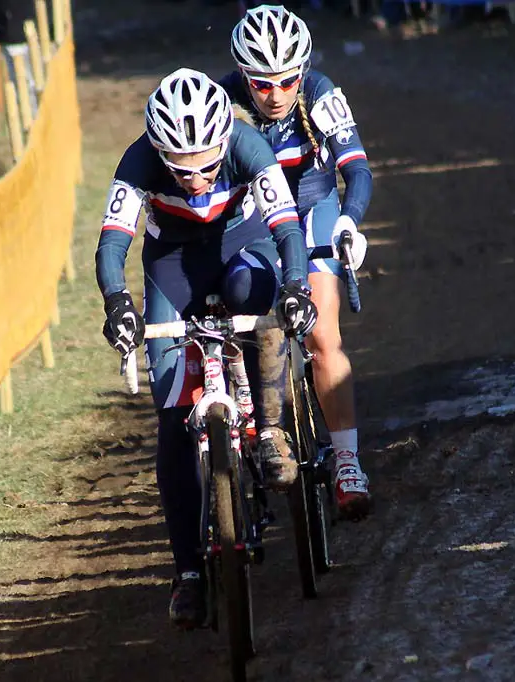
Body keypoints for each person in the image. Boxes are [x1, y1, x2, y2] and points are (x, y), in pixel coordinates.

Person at [94, 68, 317, 628]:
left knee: (253, 294)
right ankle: (188, 572)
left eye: (205, 166)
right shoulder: (137, 161)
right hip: (173, 268)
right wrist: (117, 302)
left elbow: (287, 228)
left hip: (243, 247)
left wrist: (295, 287)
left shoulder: (247, 143)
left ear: (224, 143)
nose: (193, 180)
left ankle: (267, 428)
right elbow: (111, 245)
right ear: (157, 149)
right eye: (179, 166)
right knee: (170, 417)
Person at [221, 5, 373, 521]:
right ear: (243, 76)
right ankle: (249, 407)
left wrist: (349, 221)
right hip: (256, 219)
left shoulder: (320, 91)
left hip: (311, 210)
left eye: (287, 81)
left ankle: (348, 460)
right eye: (262, 84)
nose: (276, 95)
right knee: (245, 313)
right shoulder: (223, 102)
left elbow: (358, 170)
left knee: (321, 334)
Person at [0, 0, 40, 118]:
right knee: (21, 82)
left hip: (23, 26)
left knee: (28, 82)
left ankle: (34, 119)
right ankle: (31, 119)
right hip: (13, 27)